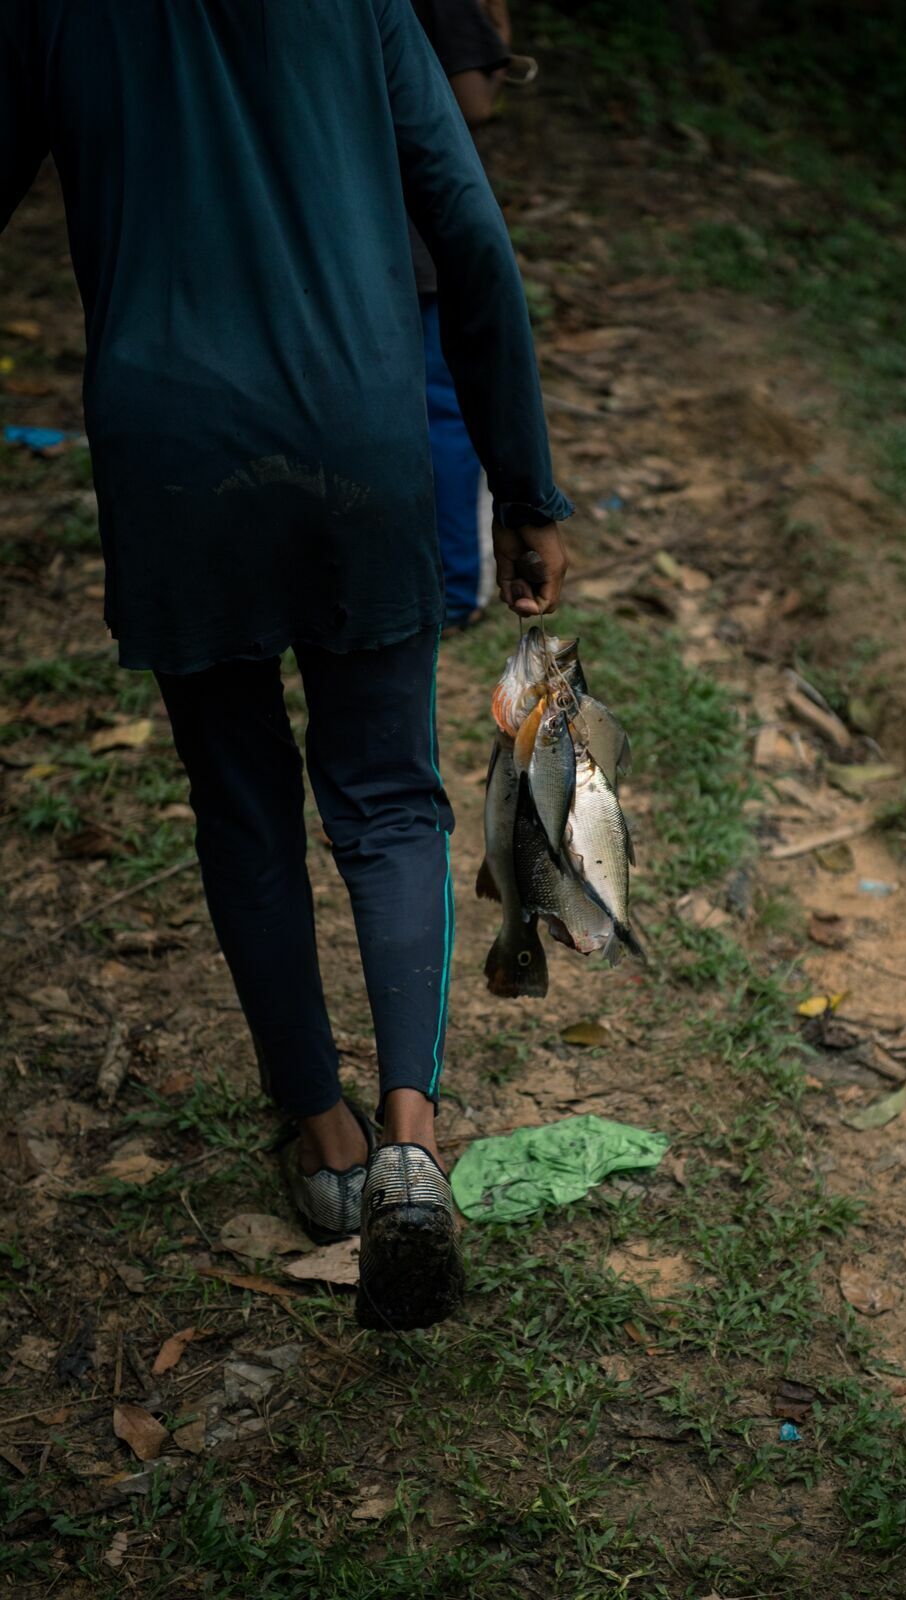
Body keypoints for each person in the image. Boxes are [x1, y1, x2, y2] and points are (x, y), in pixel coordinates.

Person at [0, 0, 570, 1332]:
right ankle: (412, 1142)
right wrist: (524, 479)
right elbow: (471, 233)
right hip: (354, 425)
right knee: (387, 795)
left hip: (171, 444)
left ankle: (324, 1145)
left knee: (241, 795)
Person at [409, 0, 512, 631]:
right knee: (447, 410)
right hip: (420, 236)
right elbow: (475, 101)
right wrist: (495, 25)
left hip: (326, 250)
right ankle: (456, 591)